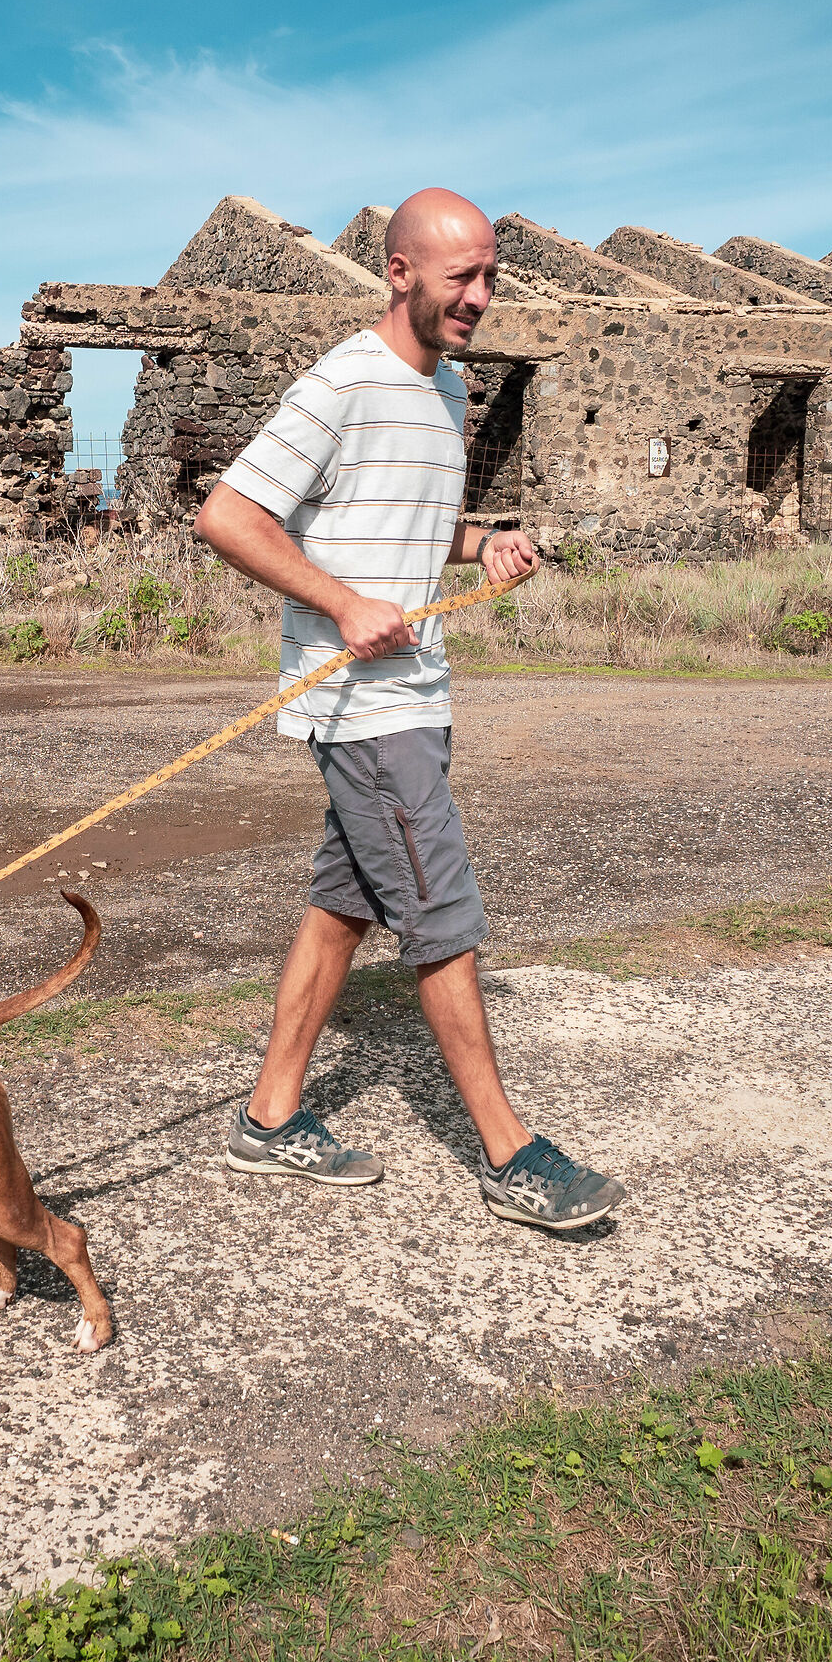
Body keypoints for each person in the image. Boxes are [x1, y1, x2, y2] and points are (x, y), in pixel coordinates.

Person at [189, 188, 627, 1231]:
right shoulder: (342, 382)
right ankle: (510, 1152)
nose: (479, 297)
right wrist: (341, 605)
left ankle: (268, 1118)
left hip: (419, 691)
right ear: (399, 273)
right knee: (439, 909)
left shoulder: (450, 392)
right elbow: (227, 514)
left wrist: (483, 544)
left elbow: (404, 526)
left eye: (489, 278)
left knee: (346, 904)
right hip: (360, 706)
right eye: (460, 278)